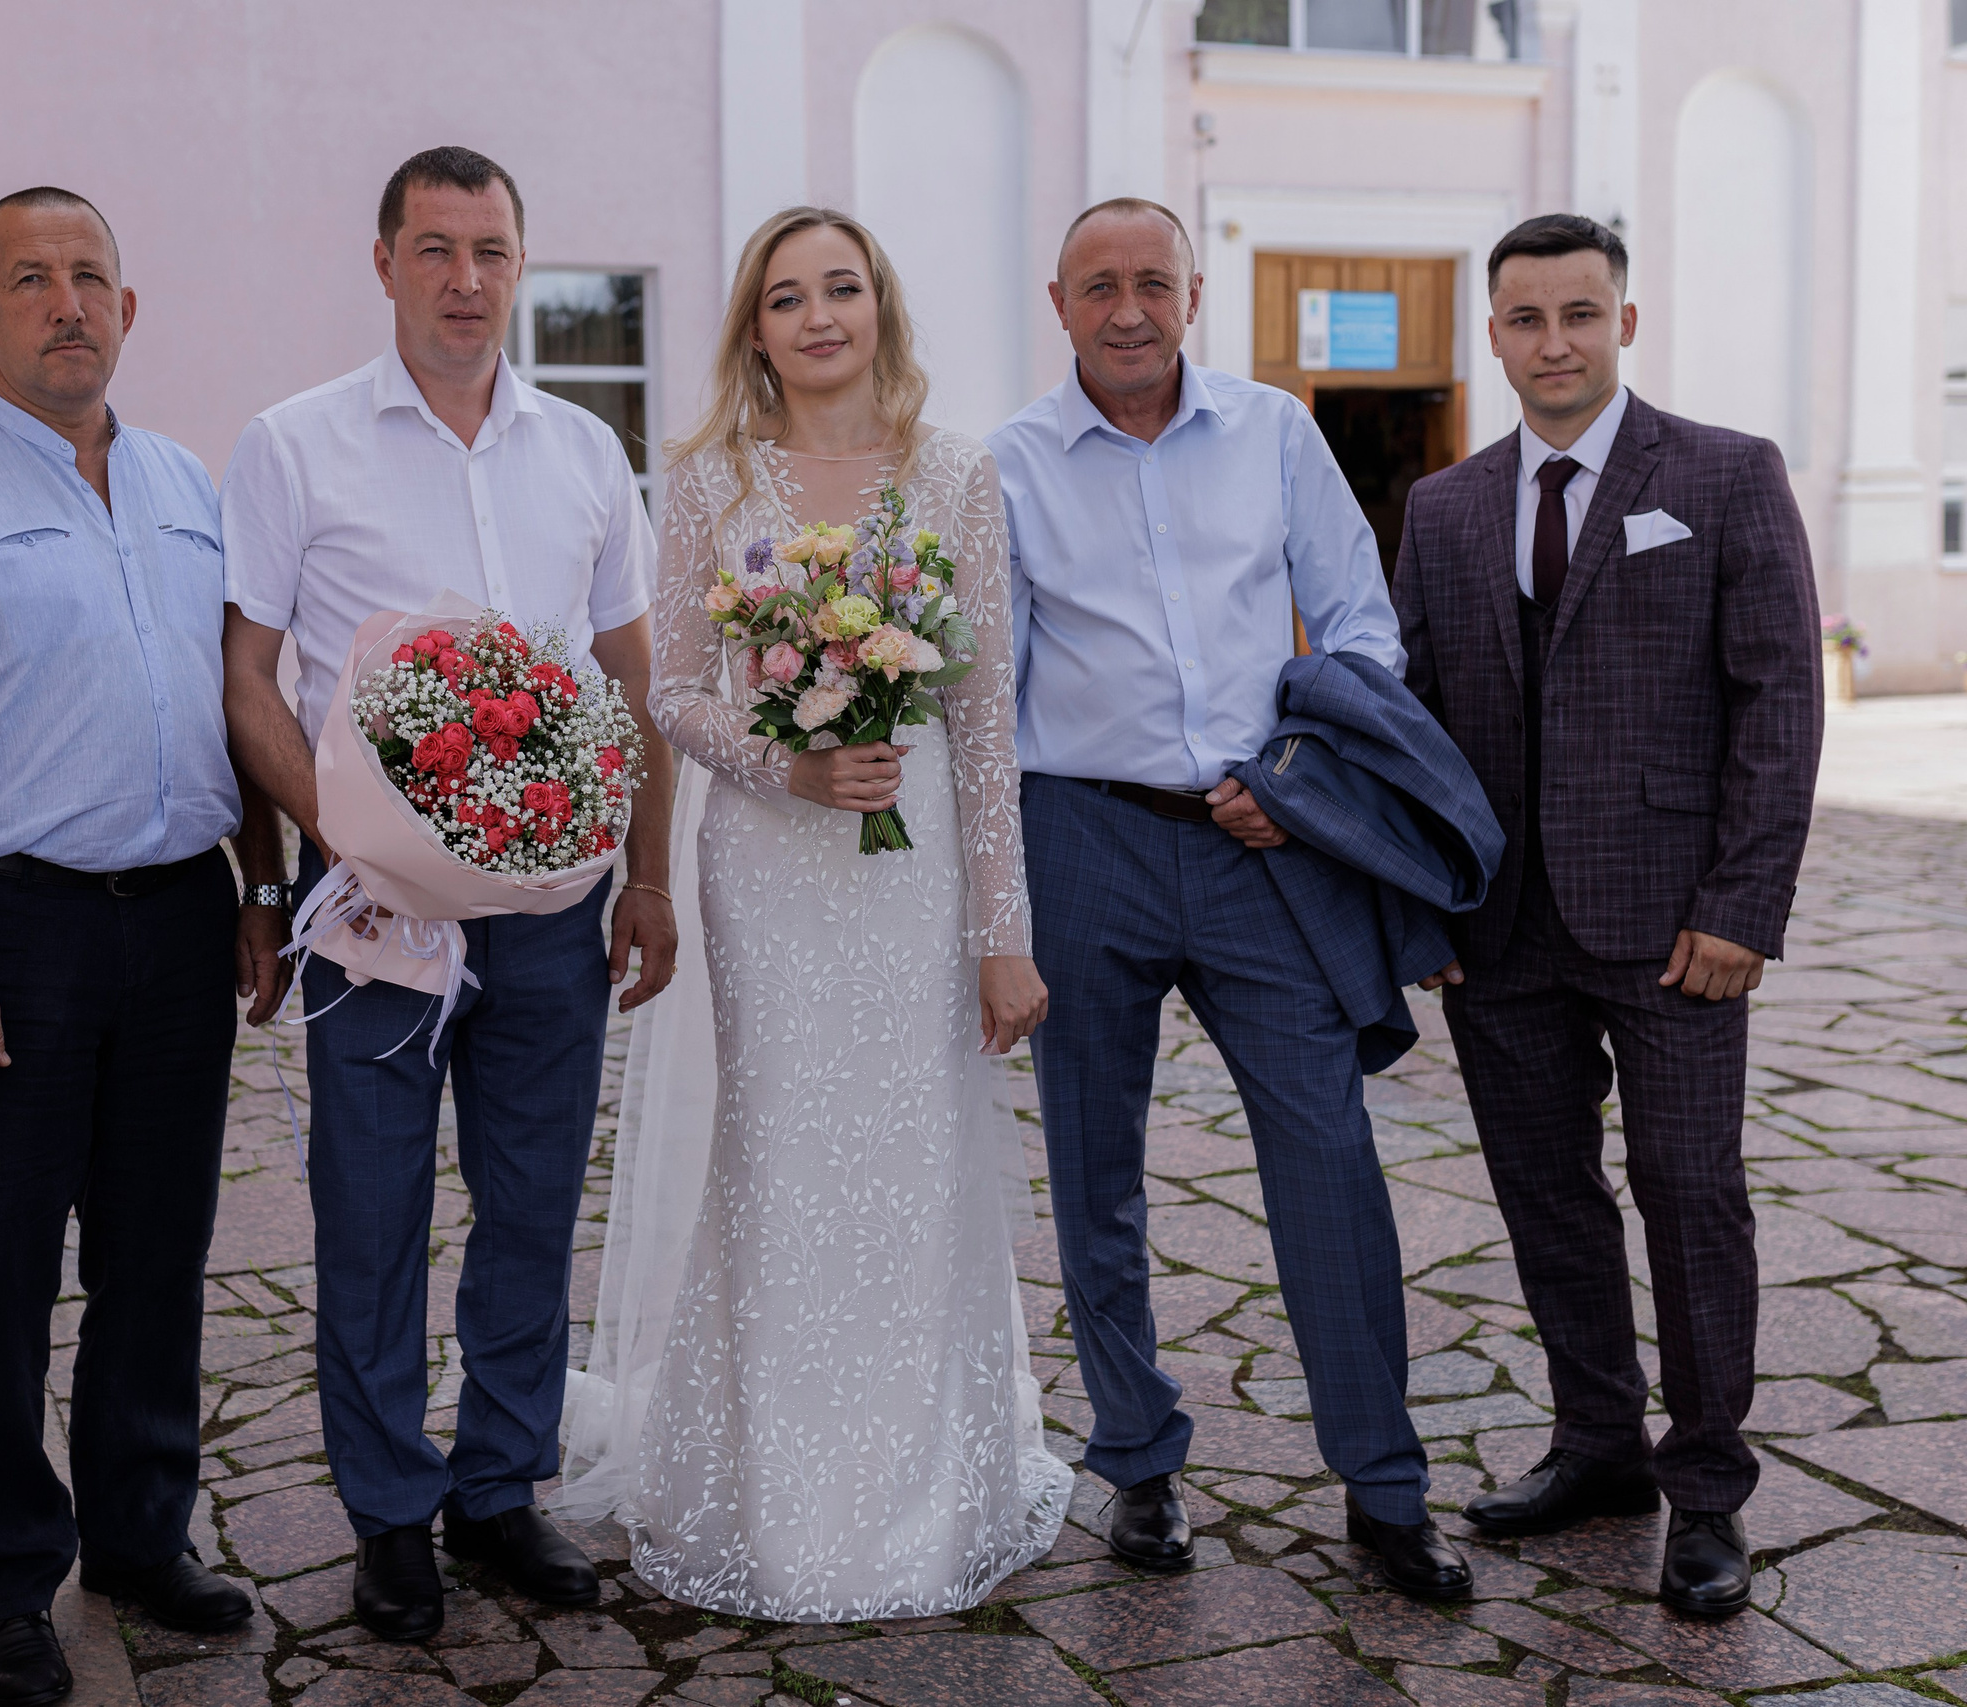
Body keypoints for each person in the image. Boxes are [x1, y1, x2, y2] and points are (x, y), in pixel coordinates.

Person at [555, 206, 1071, 1621]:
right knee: (783, 1163)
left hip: (912, 894)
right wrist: (787, 761)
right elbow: (671, 690)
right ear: (756, 329)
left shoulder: (958, 476)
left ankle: (919, 1501)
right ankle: (783, 1506)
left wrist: (1002, 932)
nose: (820, 315)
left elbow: (981, 728)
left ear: (880, 306)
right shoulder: (711, 481)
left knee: (916, 1169)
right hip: (772, 877)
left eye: (842, 288)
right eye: (788, 297)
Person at [0, 186, 289, 1707]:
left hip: (175, 926)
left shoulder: (184, 483)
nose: (66, 302)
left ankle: (143, 1539)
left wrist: (262, 884)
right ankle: (12, 1587)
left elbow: (237, 698)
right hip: (10, 929)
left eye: (91, 275)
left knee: (157, 1260)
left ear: (130, 309)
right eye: (30, 279)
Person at [218, 146, 677, 1643]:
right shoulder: (295, 445)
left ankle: (497, 1491)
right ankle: (388, 1512)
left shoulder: (584, 450)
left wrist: (645, 872)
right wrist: (340, 835)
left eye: (489, 250)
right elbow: (247, 677)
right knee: (370, 1215)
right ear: (384, 262)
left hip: (552, 908)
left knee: (533, 1208)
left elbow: (630, 676)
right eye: (434, 249)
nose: (464, 279)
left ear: (518, 264)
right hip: (373, 916)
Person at [987, 197, 1471, 1599]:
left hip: (1265, 838)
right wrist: (1000, 905)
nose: (1127, 310)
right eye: (1099, 287)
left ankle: (1385, 1490)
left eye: (1153, 283)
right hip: (1083, 837)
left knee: (1327, 1155)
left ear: (1193, 296)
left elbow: (1363, 626)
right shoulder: (1005, 466)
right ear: (1059, 302)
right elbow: (991, 698)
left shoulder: (1274, 433)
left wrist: (1302, 772)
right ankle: (1138, 1460)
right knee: (1096, 1173)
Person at [1394, 213, 1822, 1618]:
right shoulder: (1446, 508)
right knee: (1545, 1197)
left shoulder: (1723, 473)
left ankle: (1707, 1493)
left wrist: (1745, 903)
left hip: (1677, 925)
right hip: (1499, 929)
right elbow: (1411, 724)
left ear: (1624, 323)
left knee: (1693, 1197)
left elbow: (1777, 701)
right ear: (1497, 334)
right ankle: (1597, 1446)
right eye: (1525, 318)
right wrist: (1424, 910)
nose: (1553, 342)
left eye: (1580, 313)